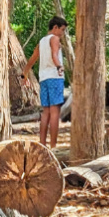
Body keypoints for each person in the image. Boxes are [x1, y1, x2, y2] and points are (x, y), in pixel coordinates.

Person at [21, 16, 69, 148]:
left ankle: (42, 144)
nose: (62, 33)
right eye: (62, 30)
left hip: (44, 79)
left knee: (46, 112)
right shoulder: (55, 38)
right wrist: (59, 66)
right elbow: (54, 55)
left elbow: (33, 58)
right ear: (55, 27)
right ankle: (53, 146)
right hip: (55, 77)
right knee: (55, 112)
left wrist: (24, 74)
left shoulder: (42, 41)